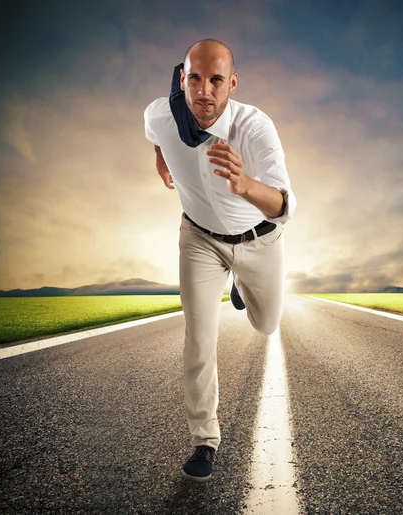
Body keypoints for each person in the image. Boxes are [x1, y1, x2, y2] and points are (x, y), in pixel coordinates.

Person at [143, 38, 297, 482]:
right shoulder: (162, 114)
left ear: (232, 83)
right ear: (182, 79)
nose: (203, 92)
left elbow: (284, 203)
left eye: (215, 81)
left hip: (259, 240)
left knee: (267, 324)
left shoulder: (254, 127)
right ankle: (204, 441)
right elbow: (151, 129)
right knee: (198, 338)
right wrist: (159, 158)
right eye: (194, 78)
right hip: (199, 239)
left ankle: (241, 286)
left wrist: (245, 183)